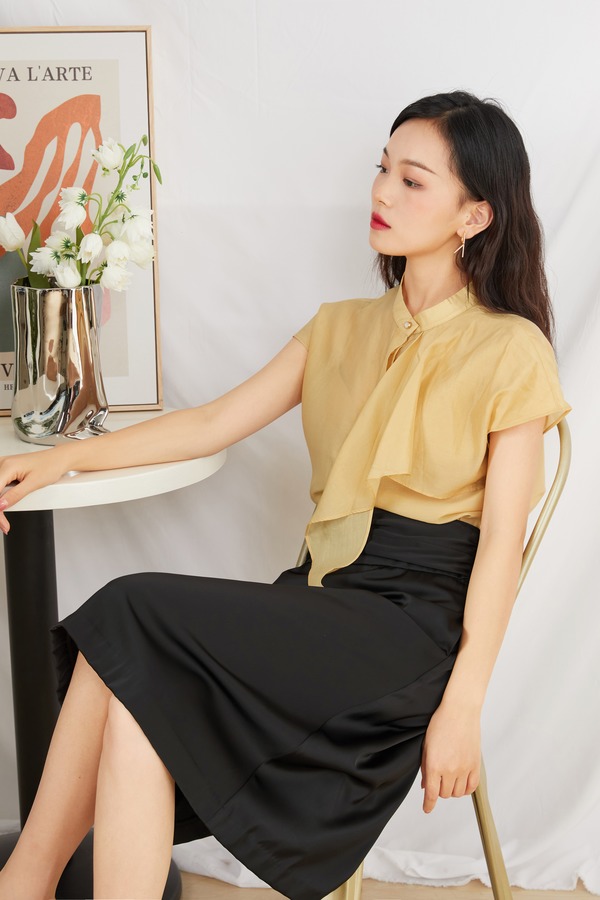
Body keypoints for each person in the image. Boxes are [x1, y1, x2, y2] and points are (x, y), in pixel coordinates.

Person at [0, 91, 570, 900]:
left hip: (412, 631)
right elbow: (211, 423)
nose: (381, 191)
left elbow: (502, 546)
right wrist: (66, 460)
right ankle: (29, 883)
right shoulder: (338, 326)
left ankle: (23, 883)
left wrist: (465, 704)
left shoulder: (512, 349)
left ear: (474, 216)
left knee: (128, 612)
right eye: (383, 169)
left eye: (412, 180)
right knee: (135, 693)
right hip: (322, 600)